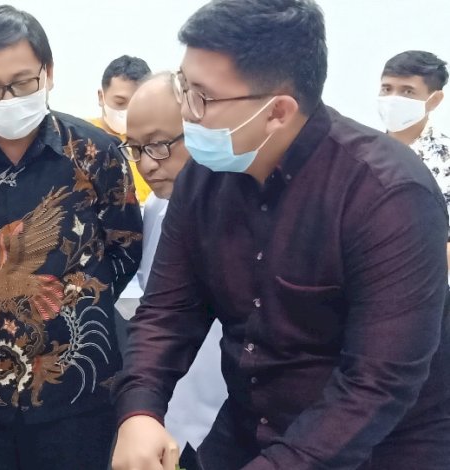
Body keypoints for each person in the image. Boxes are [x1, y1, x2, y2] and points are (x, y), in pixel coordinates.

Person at [113, 0, 450, 469]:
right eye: (183, 87)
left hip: (375, 444)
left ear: (277, 112)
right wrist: (141, 410)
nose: (186, 114)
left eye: (202, 98)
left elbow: (375, 384)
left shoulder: (388, 196)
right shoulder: (203, 178)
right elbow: (169, 311)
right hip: (253, 423)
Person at [0, 6, 142, 469]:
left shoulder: (96, 152)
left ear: (48, 73)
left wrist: (73, 303)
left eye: (22, 82)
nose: (8, 98)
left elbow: (126, 249)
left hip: (78, 391)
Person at [120, 71, 224, 451]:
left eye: (159, 145)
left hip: (234, 410)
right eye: (135, 148)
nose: (146, 165)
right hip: (168, 408)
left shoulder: (244, 205)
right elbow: (159, 310)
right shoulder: (156, 207)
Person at [379, 51, 450, 211]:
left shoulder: (445, 159)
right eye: (386, 89)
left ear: (435, 100)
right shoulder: (362, 151)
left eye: (407, 91)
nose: (392, 99)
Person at [90, 54, 153, 203]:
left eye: (137, 104)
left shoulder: (155, 144)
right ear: (101, 97)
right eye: (120, 102)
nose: (129, 111)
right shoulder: (81, 137)